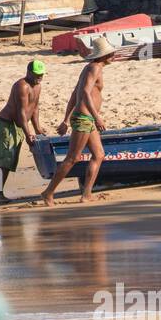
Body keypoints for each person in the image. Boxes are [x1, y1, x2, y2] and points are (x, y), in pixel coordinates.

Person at [38, 36, 116, 207]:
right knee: (73, 158)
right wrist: (98, 118)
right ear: (102, 55)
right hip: (84, 118)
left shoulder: (91, 68)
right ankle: (48, 192)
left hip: (86, 118)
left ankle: (86, 194)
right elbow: (85, 93)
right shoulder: (94, 68)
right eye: (110, 53)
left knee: (99, 154)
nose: (113, 55)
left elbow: (75, 93)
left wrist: (65, 120)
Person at [0, 60, 48, 205]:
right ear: (29, 72)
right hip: (6, 124)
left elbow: (34, 108)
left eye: (41, 75)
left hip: (19, 125)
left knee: (10, 159)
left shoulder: (38, 86)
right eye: (37, 74)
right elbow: (21, 112)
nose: (39, 77)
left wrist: (37, 128)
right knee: (3, 159)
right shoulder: (21, 86)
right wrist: (28, 134)